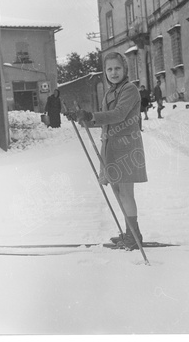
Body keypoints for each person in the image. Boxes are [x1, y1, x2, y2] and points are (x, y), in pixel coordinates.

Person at [66, 52, 148, 250]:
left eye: (117, 68)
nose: (113, 72)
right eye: (109, 69)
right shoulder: (110, 92)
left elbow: (118, 115)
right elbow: (107, 120)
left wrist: (92, 115)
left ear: (125, 70)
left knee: (126, 193)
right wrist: (83, 118)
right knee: (118, 192)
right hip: (112, 145)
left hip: (126, 145)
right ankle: (130, 231)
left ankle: (134, 236)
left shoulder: (129, 90)